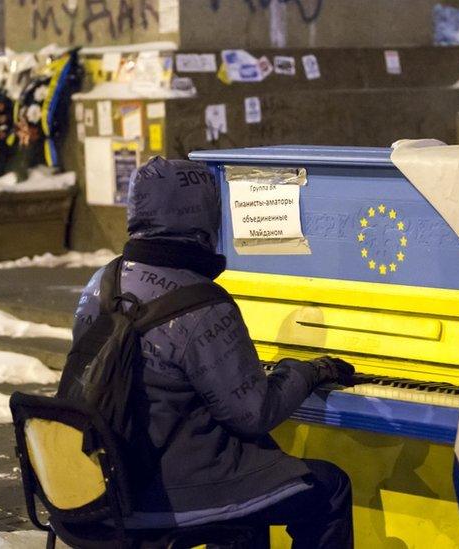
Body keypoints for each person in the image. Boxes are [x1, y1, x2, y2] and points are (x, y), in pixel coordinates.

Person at [72, 156, 355, 548]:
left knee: (254, 469)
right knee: (329, 488)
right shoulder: (200, 304)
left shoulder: (100, 283)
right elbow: (254, 414)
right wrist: (310, 371)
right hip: (169, 497)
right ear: (204, 217)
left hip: (102, 484)